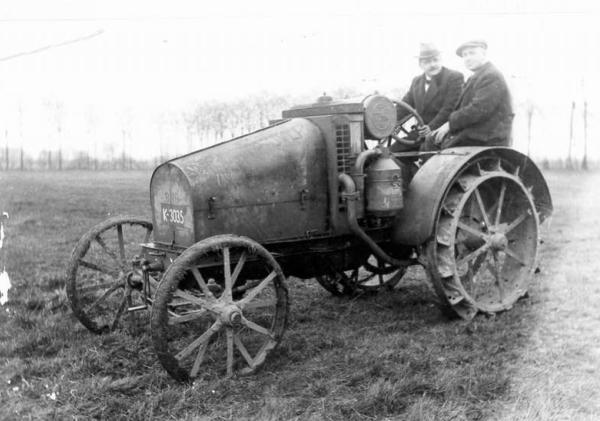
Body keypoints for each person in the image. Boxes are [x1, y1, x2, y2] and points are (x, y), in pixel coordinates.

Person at [427, 39, 514, 149]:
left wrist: (450, 124)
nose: (467, 58)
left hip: (489, 137)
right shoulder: (477, 76)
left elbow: (478, 110)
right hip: (478, 132)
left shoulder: (491, 76)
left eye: (472, 53)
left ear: (483, 54)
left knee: (434, 144)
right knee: (430, 140)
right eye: (464, 55)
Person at [392, 43, 464, 150]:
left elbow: (449, 108)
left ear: (441, 60)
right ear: (420, 65)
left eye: (435, 60)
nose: (433, 64)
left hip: (444, 132)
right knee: (391, 154)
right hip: (420, 133)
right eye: (427, 62)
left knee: (425, 154)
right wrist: (391, 122)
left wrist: (431, 127)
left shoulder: (454, 77)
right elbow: (404, 106)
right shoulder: (417, 81)